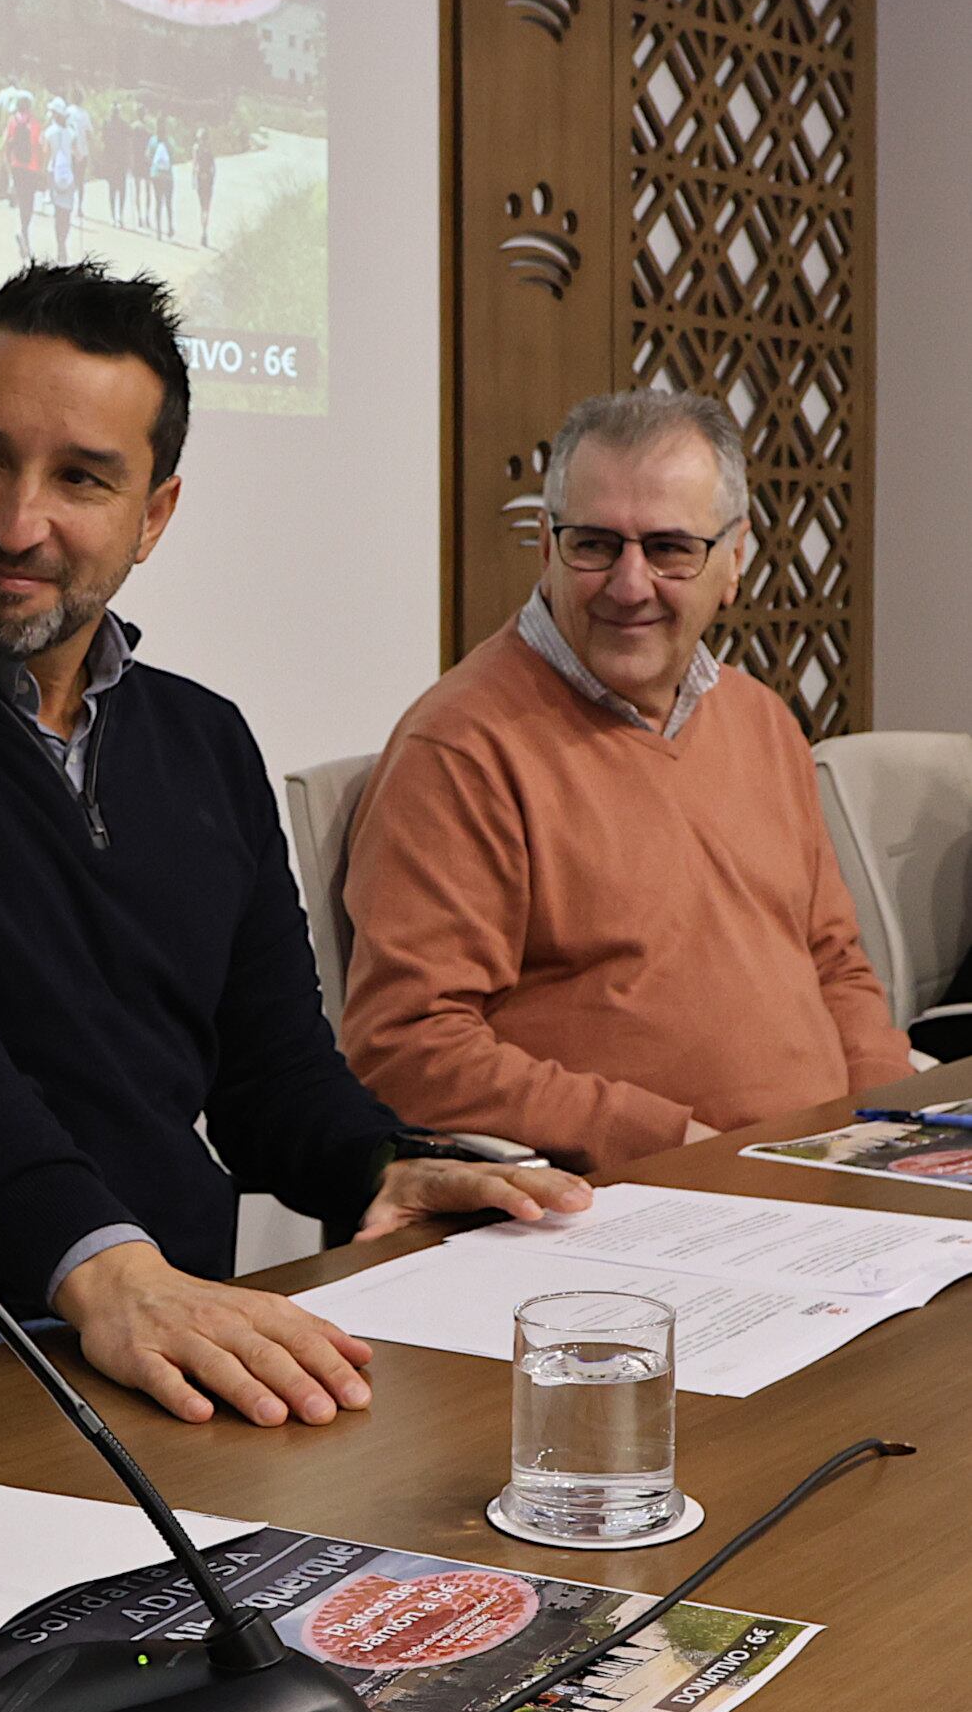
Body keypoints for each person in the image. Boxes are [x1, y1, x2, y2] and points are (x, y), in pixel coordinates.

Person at [0, 262, 584, 1431]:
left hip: (156, 1346)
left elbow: (269, 1080)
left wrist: (377, 1165)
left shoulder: (202, 739)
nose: (17, 522)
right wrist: (101, 1266)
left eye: (82, 479)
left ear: (154, 514)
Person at [342, 390, 909, 1174]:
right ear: (546, 543)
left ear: (734, 560)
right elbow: (405, 1044)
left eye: (671, 547)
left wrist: (891, 1132)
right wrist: (671, 1143)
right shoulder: (464, 747)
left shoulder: (762, 721)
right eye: (596, 545)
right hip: (630, 1208)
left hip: (822, 1175)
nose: (630, 583)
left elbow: (834, 960)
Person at [0, 90, 44, 264]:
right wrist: (41, 168)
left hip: (16, 166)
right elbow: (40, 146)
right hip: (31, 167)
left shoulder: (12, 122)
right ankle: (24, 231)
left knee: (20, 199)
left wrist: (6, 165)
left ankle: (22, 232)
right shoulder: (35, 123)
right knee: (29, 202)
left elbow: (4, 144)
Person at [41, 99, 79, 262]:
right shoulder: (71, 133)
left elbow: (45, 153)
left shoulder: (49, 133)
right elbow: (78, 155)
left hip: (53, 173)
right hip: (68, 175)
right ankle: (64, 243)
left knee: (58, 212)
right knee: (67, 212)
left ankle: (60, 246)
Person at [98, 107, 132, 229]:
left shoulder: (108, 124)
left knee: (114, 189)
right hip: (118, 161)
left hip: (113, 161)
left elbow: (103, 141)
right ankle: (118, 216)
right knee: (119, 189)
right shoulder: (123, 125)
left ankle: (116, 216)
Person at [64, 91, 94, 220]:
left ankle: (68, 204)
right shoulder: (84, 114)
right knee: (80, 181)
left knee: (69, 179)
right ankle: (79, 208)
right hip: (83, 152)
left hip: (69, 151)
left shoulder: (67, 112)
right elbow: (89, 134)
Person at [149, 122, 179, 238]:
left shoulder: (152, 141)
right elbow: (173, 158)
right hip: (168, 176)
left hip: (156, 175)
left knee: (158, 202)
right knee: (168, 202)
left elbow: (148, 156)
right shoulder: (170, 142)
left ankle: (158, 230)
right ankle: (170, 227)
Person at [193, 129, 218, 248]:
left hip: (200, 179)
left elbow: (195, 166)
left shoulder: (196, 149)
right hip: (208, 179)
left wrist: (193, 179)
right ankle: (205, 232)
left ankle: (203, 232)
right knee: (206, 208)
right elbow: (214, 167)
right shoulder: (210, 151)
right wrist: (212, 179)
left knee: (202, 207)